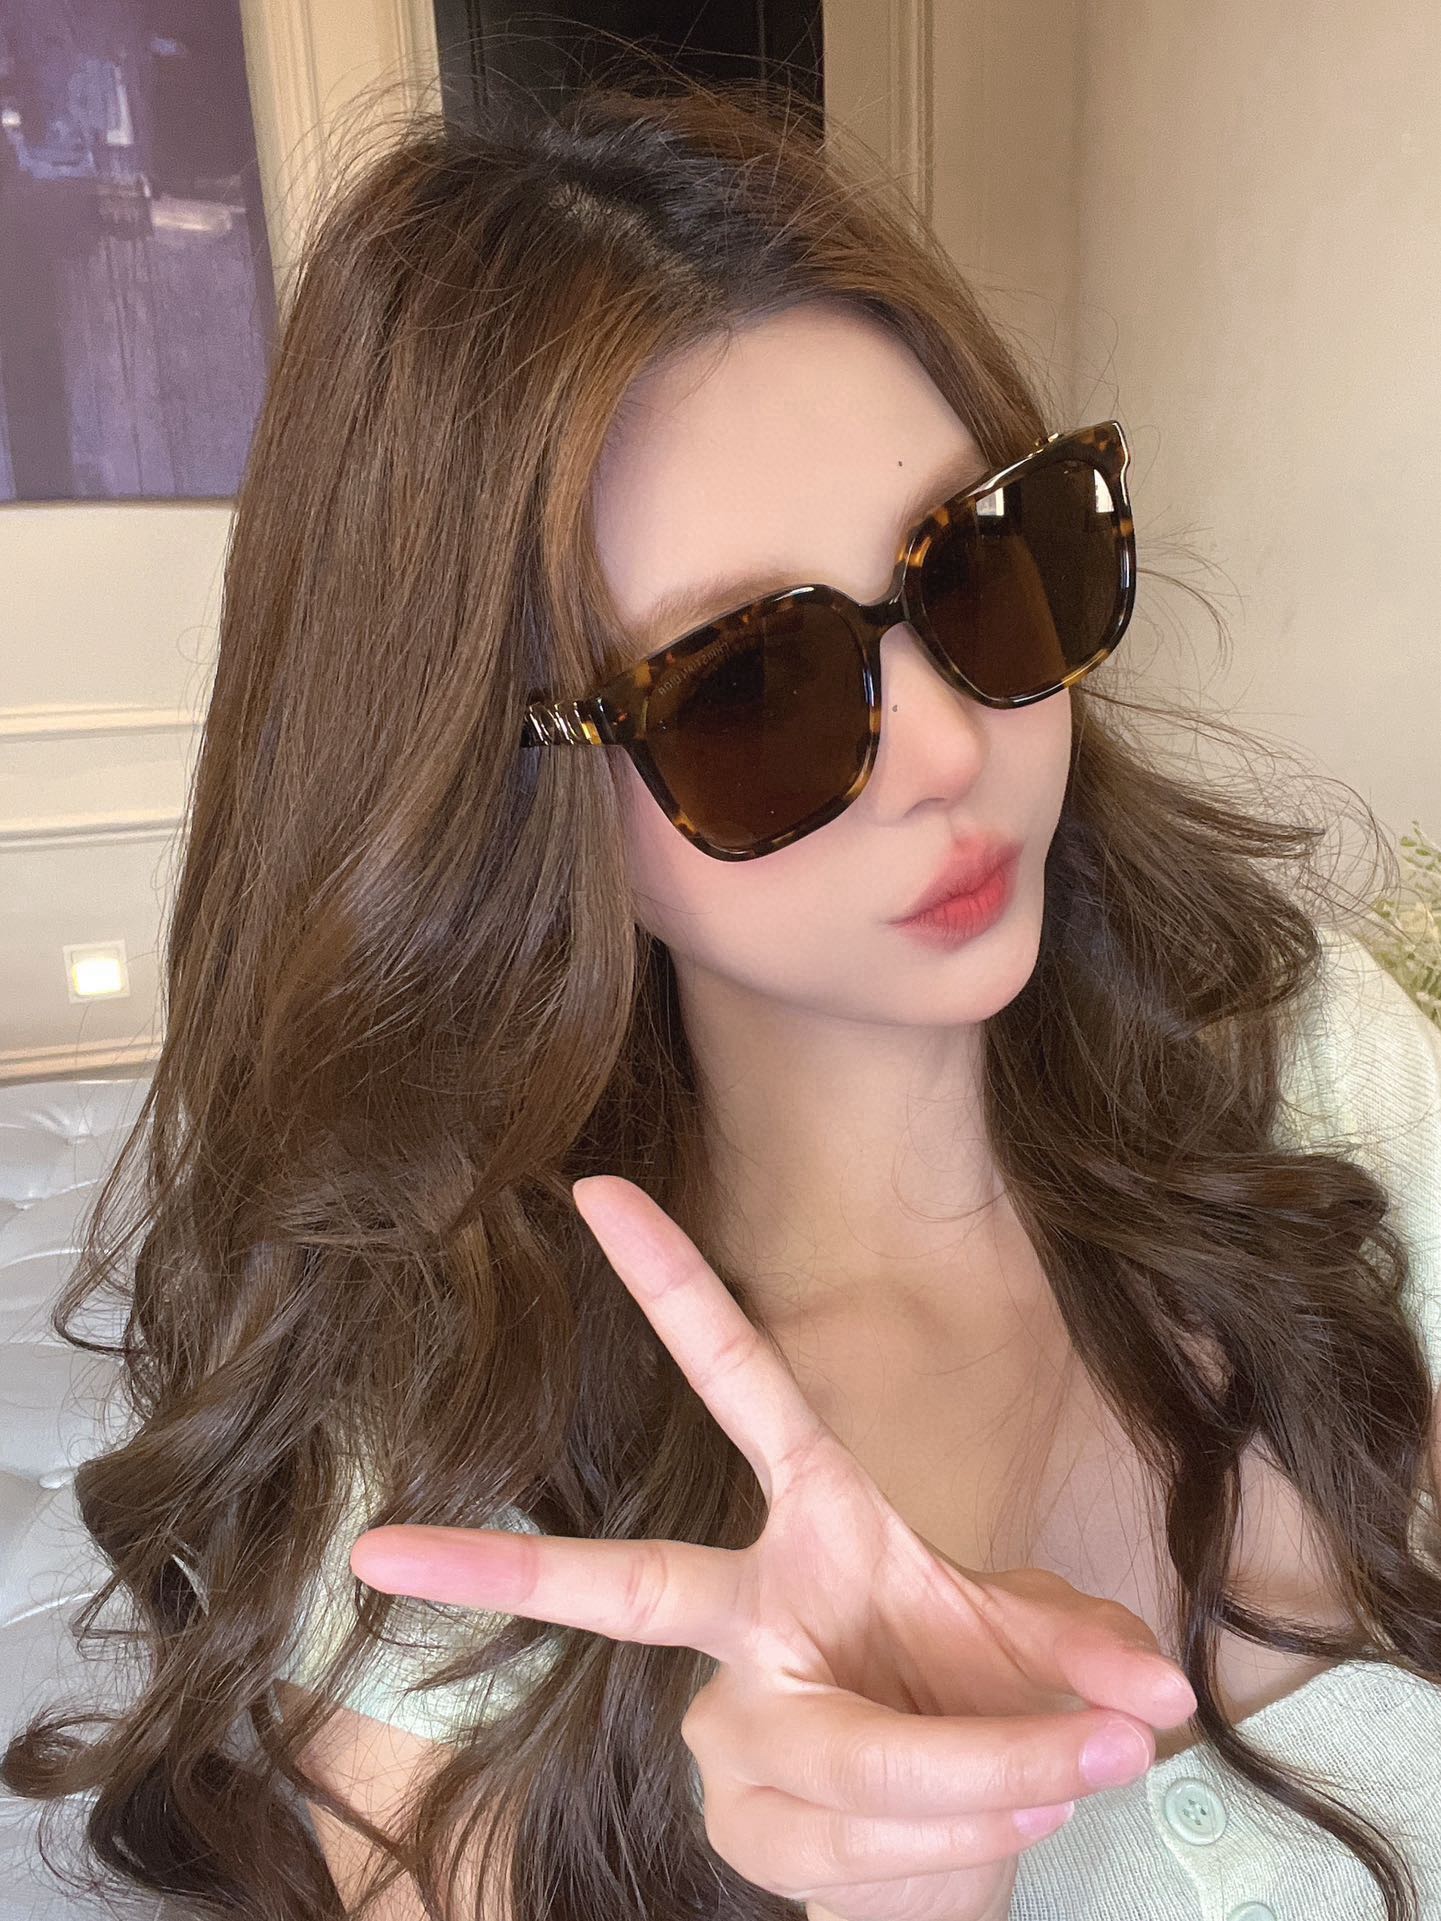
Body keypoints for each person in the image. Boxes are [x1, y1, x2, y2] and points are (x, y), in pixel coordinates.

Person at [5, 65, 1441, 1921]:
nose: (952, 747)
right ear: (495, 796)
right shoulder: (449, 1484)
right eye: (747, 688)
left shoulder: (1307, 1057)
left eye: (988, 567)